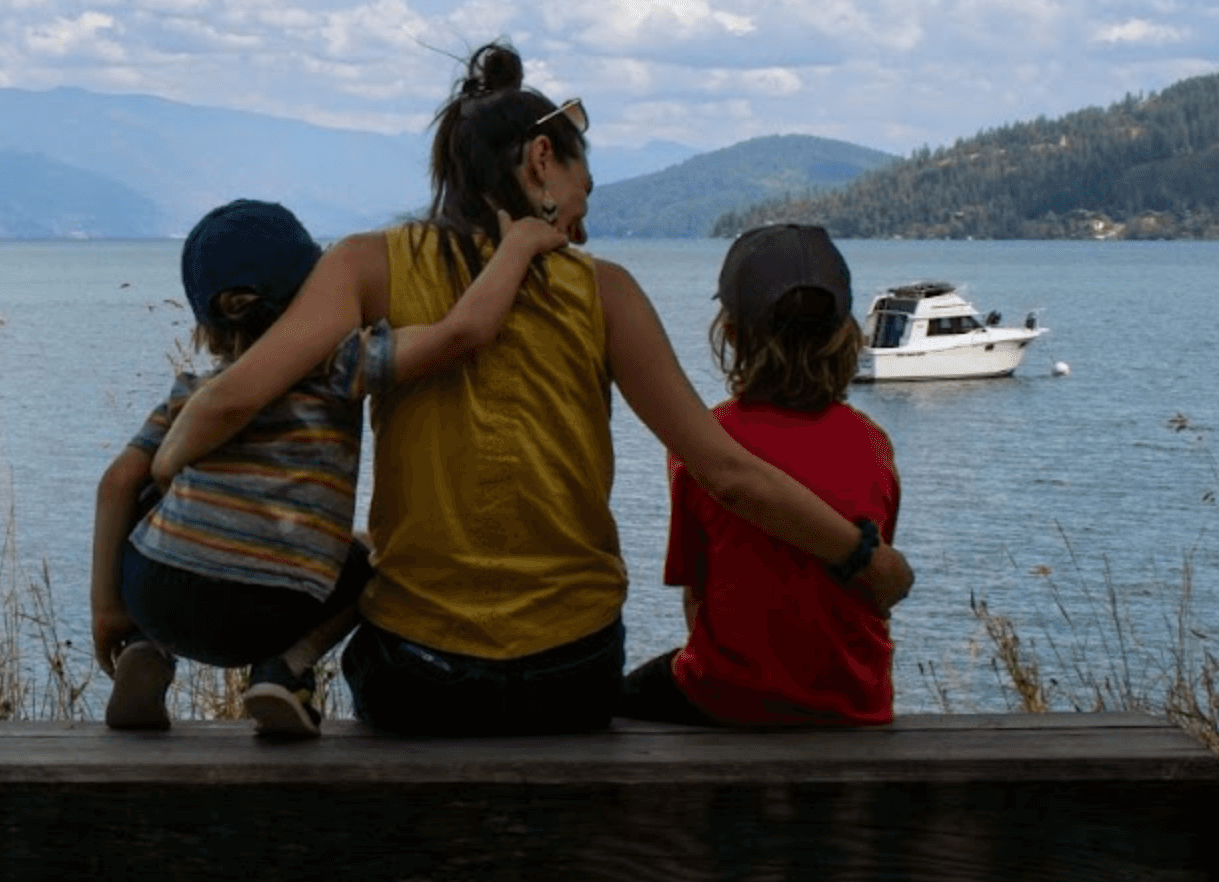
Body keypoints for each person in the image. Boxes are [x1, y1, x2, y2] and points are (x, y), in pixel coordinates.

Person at [155, 44, 913, 736]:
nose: (588, 200)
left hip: (418, 679)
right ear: (542, 161)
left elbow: (233, 396)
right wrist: (864, 558)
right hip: (570, 676)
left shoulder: (365, 265)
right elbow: (728, 472)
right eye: (585, 177)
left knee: (364, 566)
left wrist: (159, 474)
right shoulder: (606, 292)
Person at [91, 197, 565, 738]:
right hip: (275, 607)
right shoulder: (340, 363)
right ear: (312, 291)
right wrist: (517, 247)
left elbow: (116, 484)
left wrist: (108, 610)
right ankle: (284, 669)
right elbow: (462, 333)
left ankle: (143, 650)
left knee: (152, 502)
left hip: (162, 595)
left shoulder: (188, 397)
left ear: (210, 321)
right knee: (377, 555)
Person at [616, 222, 898, 727]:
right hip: (856, 704)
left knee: (613, 707)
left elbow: (696, 593)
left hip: (733, 697)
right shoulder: (872, 443)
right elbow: (872, 591)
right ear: (846, 332)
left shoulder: (707, 440)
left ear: (729, 334)